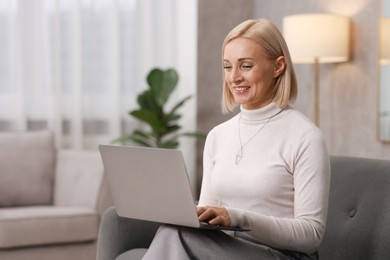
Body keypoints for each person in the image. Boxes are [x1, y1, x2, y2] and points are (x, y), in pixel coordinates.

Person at [142, 18, 330, 260]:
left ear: (278, 66)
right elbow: (206, 214)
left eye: (246, 66)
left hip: (282, 255)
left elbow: (311, 234)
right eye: (227, 66)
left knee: (176, 237)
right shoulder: (218, 136)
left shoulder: (306, 137)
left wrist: (237, 217)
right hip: (225, 250)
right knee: (175, 231)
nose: (234, 78)